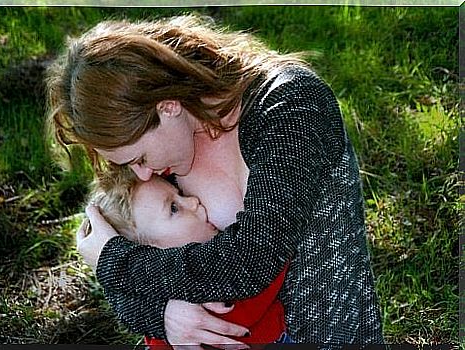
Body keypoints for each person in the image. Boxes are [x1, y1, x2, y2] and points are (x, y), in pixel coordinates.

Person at [46, 14, 384, 346]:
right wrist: (161, 315)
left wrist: (115, 262)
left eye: (140, 159)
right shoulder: (160, 149)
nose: (143, 174)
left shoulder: (290, 106)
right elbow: (126, 251)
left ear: (167, 107)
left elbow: (253, 259)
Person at [88, 168, 289, 347]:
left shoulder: (155, 300)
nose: (193, 201)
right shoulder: (212, 282)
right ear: (151, 254)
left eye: (181, 194)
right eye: (174, 208)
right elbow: (266, 259)